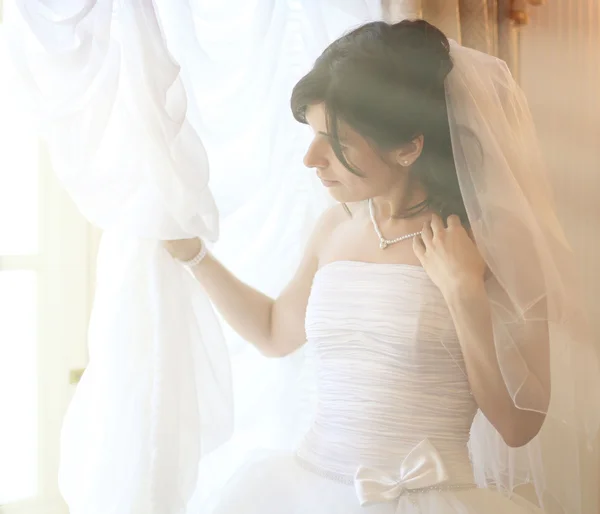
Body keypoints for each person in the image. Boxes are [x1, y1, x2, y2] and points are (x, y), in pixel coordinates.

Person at [165, 19, 595, 514]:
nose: (310, 158)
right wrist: (192, 254)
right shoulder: (335, 226)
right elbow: (272, 332)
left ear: (410, 146)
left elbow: (520, 427)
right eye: (312, 134)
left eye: (337, 141)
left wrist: (465, 297)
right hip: (307, 492)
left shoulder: (490, 238)